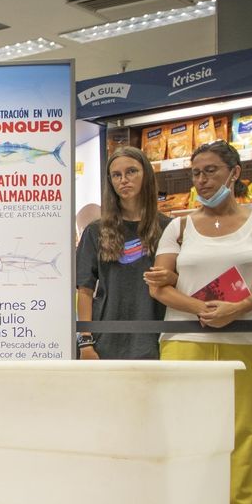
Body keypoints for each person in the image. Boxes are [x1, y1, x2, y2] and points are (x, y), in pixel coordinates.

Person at [146, 141, 252, 504]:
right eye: (196, 173)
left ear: (234, 173)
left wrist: (239, 307)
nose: (202, 181)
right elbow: (160, 285)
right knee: (186, 433)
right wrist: (202, 309)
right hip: (186, 338)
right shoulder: (180, 227)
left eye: (210, 171)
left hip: (251, 338)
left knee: (243, 432)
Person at [75, 147, 168, 360]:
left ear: (146, 174)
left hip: (155, 338)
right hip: (105, 340)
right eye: (116, 175)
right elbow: (85, 290)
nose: (123, 180)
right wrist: (85, 341)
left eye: (131, 171)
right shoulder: (95, 231)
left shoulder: (168, 227)